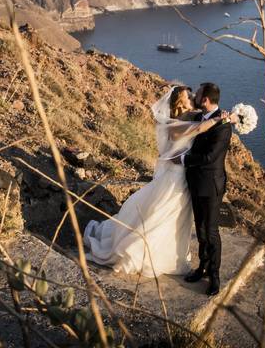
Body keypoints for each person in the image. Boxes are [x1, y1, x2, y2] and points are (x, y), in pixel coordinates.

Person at [82, 85, 236, 278]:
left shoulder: (193, 115)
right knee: (161, 215)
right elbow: (199, 127)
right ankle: (139, 252)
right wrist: (220, 118)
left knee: (180, 219)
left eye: (194, 95)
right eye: (189, 96)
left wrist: (231, 116)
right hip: (174, 178)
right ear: (180, 102)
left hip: (188, 179)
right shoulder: (173, 125)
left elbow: (205, 115)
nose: (193, 97)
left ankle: (193, 263)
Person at [173, 82, 232, 296]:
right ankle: (203, 267)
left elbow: (209, 157)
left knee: (212, 231)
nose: (195, 97)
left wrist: (183, 159)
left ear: (205, 99)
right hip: (196, 183)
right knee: (200, 230)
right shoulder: (199, 118)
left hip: (212, 185)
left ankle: (215, 276)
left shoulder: (224, 127)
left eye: (198, 95)